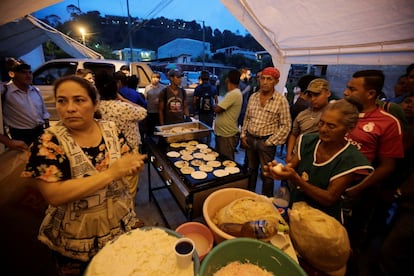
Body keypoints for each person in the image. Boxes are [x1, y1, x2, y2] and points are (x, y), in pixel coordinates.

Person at [21, 75, 146, 275]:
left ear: (95, 103)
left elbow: (124, 158)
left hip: (117, 224)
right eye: (62, 101)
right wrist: (111, 173)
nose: (70, 108)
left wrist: (132, 165)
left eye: (79, 100)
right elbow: (54, 195)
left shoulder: (111, 129)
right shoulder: (48, 142)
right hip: (76, 236)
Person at [264, 99, 374, 222]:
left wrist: (297, 179)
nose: (323, 129)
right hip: (296, 210)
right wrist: (279, 172)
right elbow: (291, 168)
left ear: (350, 128)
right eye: (321, 123)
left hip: (323, 220)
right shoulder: (308, 142)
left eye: (331, 126)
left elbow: (329, 198)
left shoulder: (350, 159)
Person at [240, 67, 291, 197]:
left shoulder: (281, 101)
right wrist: (243, 135)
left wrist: (269, 142)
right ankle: (248, 196)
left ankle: (266, 201)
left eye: (269, 79)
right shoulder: (253, 97)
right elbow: (247, 117)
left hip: (266, 142)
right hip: (251, 139)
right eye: (262, 78)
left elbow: (286, 126)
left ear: (276, 81)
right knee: (250, 170)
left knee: (267, 174)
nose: (265, 82)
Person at [0, 58, 50, 150]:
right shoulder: (5, 90)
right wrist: (8, 142)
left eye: (30, 72)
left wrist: (48, 130)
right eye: (23, 72)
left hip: (40, 133)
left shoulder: (35, 90)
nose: (28, 76)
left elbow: (44, 113)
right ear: (12, 74)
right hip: (19, 136)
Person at [285, 78, 331, 163]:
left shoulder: (333, 114)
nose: (313, 99)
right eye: (310, 95)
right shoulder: (302, 115)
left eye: (317, 95)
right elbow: (293, 134)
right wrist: (289, 154)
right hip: (297, 157)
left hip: (318, 160)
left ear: (327, 93)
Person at [214, 69, 243, 160]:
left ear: (227, 80)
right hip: (223, 133)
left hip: (226, 135)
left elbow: (217, 109)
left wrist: (214, 105)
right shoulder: (232, 93)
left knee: (226, 161)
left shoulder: (234, 94)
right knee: (220, 160)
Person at [144, 72, 165, 136]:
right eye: (153, 77)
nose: (155, 79)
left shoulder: (163, 88)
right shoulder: (147, 87)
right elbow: (146, 98)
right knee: (150, 127)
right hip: (150, 110)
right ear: (151, 78)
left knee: (159, 128)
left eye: (157, 77)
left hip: (159, 111)